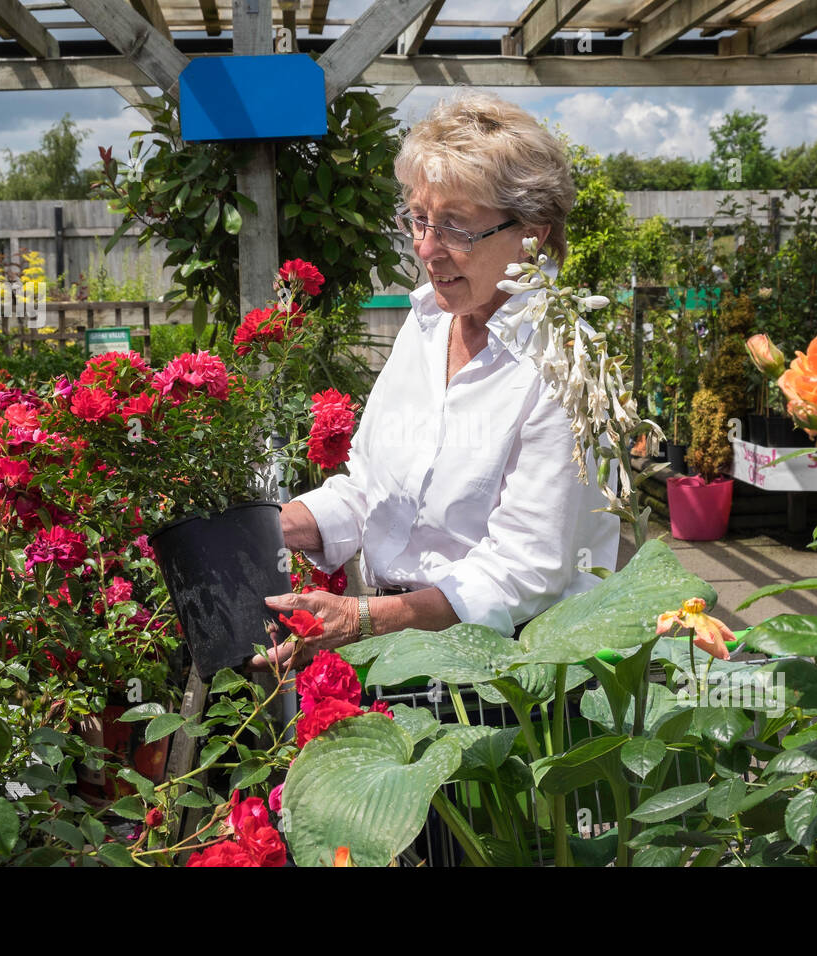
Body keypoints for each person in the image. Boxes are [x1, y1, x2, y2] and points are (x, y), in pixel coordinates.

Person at [256, 91, 618, 669]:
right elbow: (371, 491)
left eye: (455, 227)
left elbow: (528, 568)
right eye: (419, 219)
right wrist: (276, 528)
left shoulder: (563, 363)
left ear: (534, 233)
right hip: (399, 650)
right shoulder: (427, 323)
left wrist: (364, 619)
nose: (426, 249)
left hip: (509, 682)